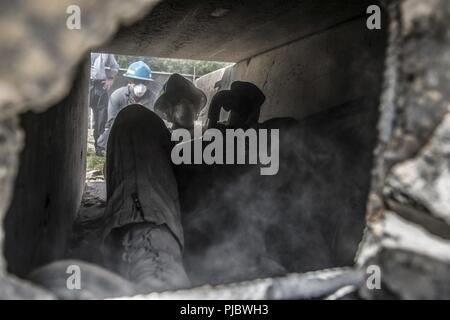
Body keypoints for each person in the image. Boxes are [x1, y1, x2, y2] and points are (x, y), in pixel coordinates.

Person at [97, 61, 158, 152]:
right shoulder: (118, 96)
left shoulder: (153, 98)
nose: (141, 86)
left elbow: (155, 124)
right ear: (129, 81)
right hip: (120, 134)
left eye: (145, 82)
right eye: (137, 81)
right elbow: (113, 123)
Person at [89, 53, 119, 156]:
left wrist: (111, 78)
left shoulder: (105, 51)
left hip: (99, 86)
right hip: (84, 83)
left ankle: (99, 148)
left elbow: (115, 66)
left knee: (101, 119)